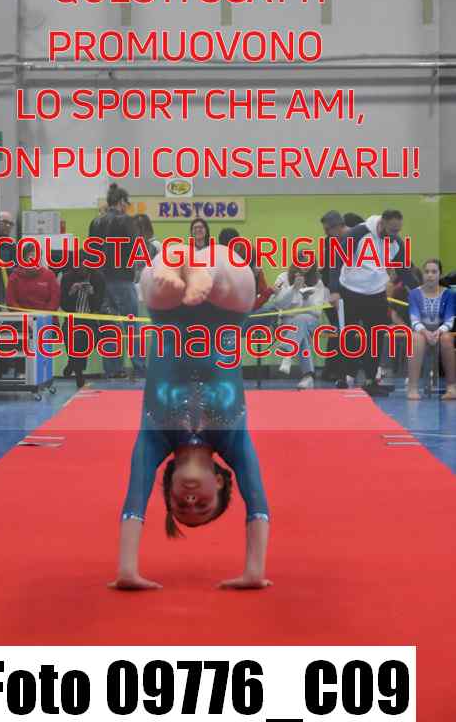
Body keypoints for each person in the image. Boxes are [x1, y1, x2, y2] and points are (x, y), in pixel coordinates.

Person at [110, 244, 271, 591]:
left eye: (181, 505)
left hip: (167, 316)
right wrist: (254, 572)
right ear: (221, 483)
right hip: (229, 314)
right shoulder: (233, 440)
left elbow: (134, 500)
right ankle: (202, 271)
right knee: (224, 277)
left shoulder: (155, 438)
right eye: (203, 505)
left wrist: (127, 570)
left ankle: (182, 269)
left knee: (159, 287)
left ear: (168, 490)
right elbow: (257, 502)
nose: (191, 499)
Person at [329, 210, 417, 397]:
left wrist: (419, 293)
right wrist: (334, 290)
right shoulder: (359, 233)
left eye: (398, 230)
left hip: (376, 294)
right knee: (349, 336)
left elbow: (404, 271)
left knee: (375, 337)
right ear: (382, 223)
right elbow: (336, 260)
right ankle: (346, 376)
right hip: (349, 291)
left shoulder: (396, 243)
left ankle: (370, 380)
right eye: (392, 230)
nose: (395, 234)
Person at [89, 183, 145, 378]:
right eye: (126, 204)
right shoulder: (126, 221)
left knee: (110, 326)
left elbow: (92, 253)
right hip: (122, 279)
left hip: (101, 280)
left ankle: (113, 370)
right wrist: (136, 269)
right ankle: (139, 367)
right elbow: (135, 249)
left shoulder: (96, 222)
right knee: (132, 324)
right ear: (121, 202)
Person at [271, 261, 327, 389]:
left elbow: (317, 312)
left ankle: (288, 353)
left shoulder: (318, 282)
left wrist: (306, 299)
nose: (305, 266)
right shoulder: (283, 277)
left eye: (309, 263)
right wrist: (293, 289)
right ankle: (308, 376)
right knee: (301, 332)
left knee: (301, 320)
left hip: (310, 320)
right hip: (288, 321)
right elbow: (279, 304)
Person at [407, 259, 456, 400]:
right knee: (416, 338)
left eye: (434, 272)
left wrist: (438, 332)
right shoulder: (414, 294)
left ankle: (452, 387)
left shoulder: (449, 294)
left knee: (447, 339)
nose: (430, 275)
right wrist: (426, 332)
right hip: (421, 331)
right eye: (427, 271)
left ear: (440, 274)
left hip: (442, 331)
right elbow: (414, 319)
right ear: (423, 274)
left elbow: (450, 319)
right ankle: (413, 387)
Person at [60, 252, 105, 389]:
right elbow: (64, 305)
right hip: (73, 316)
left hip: (91, 317)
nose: (80, 269)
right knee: (72, 335)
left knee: (90, 338)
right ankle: (79, 373)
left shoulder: (98, 277)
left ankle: (72, 363)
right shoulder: (67, 278)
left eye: (83, 266)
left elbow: (98, 305)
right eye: (77, 266)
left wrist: (92, 293)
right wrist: (71, 292)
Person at [319, 210, 347, 382]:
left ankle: (333, 369)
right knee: (338, 329)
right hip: (332, 291)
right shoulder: (330, 242)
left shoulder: (346, 240)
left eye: (327, 229)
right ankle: (333, 369)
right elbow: (331, 269)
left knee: (338, 329)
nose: (326, 232)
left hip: (340, 290)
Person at [5, 243, 60, 312]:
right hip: (21, 317)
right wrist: (25, 315)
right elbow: (10, 302)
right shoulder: (15, 276)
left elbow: (55, 300)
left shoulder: (49, 275)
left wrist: (44, 315)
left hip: (46, 317)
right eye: (31, 257)